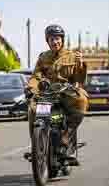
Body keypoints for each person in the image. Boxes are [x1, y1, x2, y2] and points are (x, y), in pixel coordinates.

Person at [27, 24, 89, 165]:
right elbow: (36, 76)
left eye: (57, 38)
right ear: (47, 41)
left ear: (62, 39)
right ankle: (36, 146)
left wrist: (81, 64)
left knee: (82, 100)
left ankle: (66, 137)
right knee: (32, 109)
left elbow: (80, 79)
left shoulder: (72, 56)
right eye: (51, 39)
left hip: (66, 92)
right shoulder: (43, 58)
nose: (55, 42)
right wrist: (30, 88)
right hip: (48, 93)